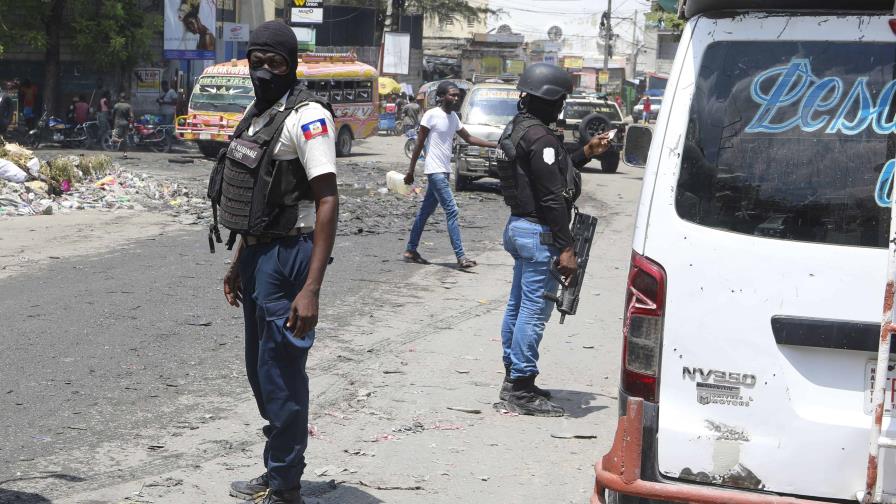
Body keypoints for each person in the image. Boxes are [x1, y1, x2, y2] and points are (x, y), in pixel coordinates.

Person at [220, 20, 339, 504]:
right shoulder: (259, 111)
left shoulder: (308, 117)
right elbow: (254, 201)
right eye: (257, 62)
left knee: (282, 372)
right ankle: (276, 471)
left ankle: (286, 486)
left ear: (293, 65)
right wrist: (236, 262)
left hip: (290, 257)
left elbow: (327, 200)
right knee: (259, 370)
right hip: (258, 253)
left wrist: (311, 289)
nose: (265, 71)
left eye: (276, 63)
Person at [495, 63, 611, 416]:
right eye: (561, 99)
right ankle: (519, 388)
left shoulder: (520, 129)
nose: (562, 106)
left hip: (519, 226)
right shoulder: (542, 138)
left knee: (517, 306)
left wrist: (586, 152)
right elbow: (551, 196)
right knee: (533, 311)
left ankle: (515, 376)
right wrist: (566, 247)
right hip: (538, 232)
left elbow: (547, 169)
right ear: (552, 99)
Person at [402, 81, 495, 269]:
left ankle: (411, 250)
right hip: (434, 171)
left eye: (458, 95)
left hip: (444, 171)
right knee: (452, 210)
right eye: (452, 95)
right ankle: (461, 257)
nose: (456, 98)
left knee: (425, 212)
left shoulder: (454, 118)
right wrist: (411, 170)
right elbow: (419, 143)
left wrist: (497, 145)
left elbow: (469, 138)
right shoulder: (431, 115)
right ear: (441, 96)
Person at [111, 92, 134, 159]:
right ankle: (125, 153)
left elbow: (112, 115)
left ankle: (120, 141)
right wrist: (130, 123)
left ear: (119, 98)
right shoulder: (128, 106)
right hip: (126, 124)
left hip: (117, 123)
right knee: (125, 138)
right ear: (125, 98)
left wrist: (112, 122)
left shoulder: (116, 105)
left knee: (114, 138)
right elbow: (132, 116)